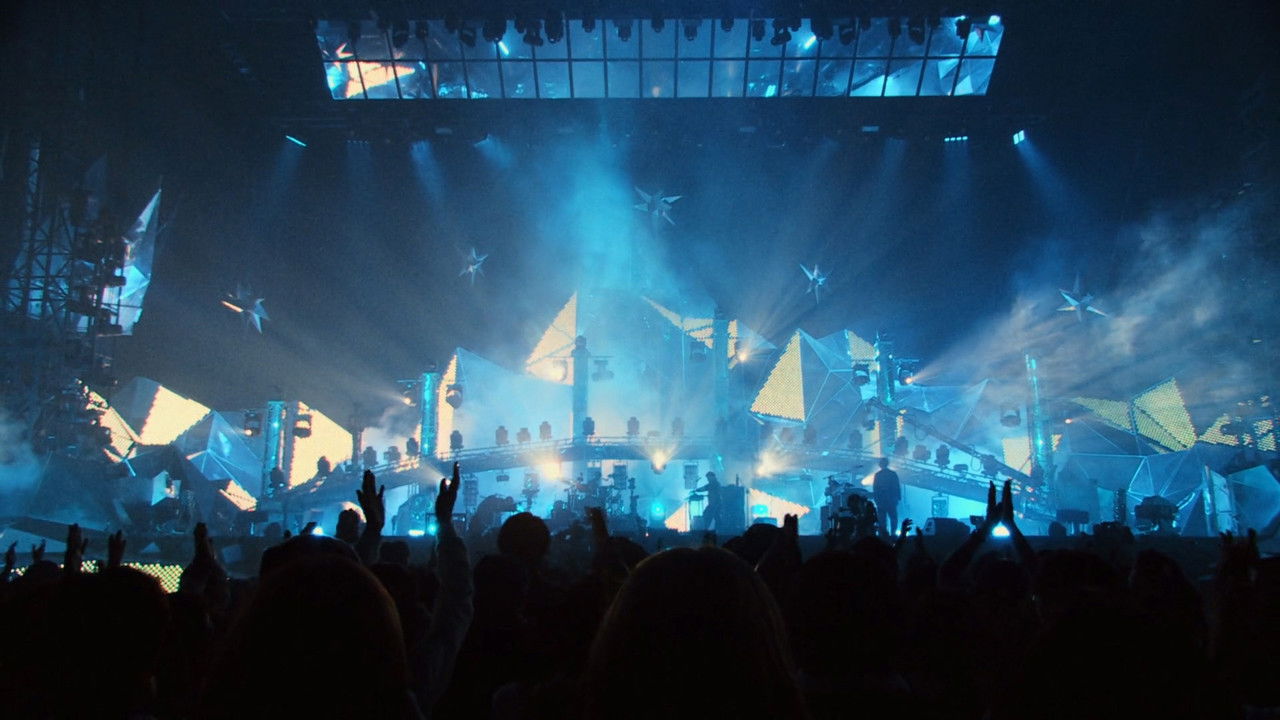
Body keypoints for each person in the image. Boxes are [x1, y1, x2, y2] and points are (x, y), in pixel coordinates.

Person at [872, 457, 901, 537]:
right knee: (893, 518)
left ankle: (883, 534)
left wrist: (876, 499)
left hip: (881, 501)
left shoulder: (878, 475)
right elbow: (897, 487)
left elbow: (875, 488)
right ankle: (893, 534)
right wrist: (898, 498)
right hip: (891, 500)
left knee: (882, 519)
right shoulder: (892, 474)